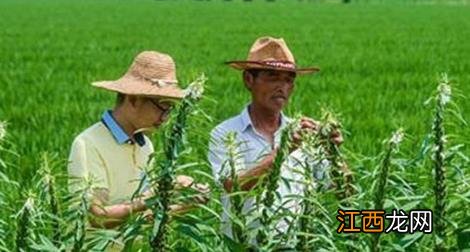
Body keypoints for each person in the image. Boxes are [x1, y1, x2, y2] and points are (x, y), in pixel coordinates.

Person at [208, 36, 343, 238]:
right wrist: (284, 150)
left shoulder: (305, 134)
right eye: (272, 77)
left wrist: (334, 153)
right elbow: (231, 187)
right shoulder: (225, 133)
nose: (282, 87)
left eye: (289, 80)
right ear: (248, 80)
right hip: (242, 245)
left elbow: (343, 191)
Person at [68, 51, 208, 231]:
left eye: (170, 110)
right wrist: (158, 193)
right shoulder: (88, 144)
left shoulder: (145, 146)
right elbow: (97, 218)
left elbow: (141, 218)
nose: (165, 118)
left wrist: (187, 202)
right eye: (162, 108)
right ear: (133, 99)